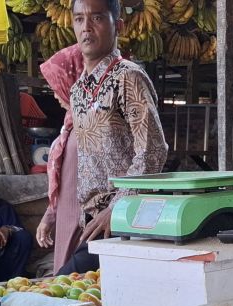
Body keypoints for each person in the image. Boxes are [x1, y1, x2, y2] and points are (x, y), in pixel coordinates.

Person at [58, 0, 167, 274]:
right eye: (79, 19)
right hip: (92, 220)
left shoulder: (128, 77)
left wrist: (117, 208)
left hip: (124, 220)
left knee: (59, 289)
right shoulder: (78, 90)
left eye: (97, 18)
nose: (86, 28)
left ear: (117, 25)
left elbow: (152, 150)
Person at [35, 44, 85, 275]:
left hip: (85, 225)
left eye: (57, 86)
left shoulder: (92, 125)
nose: (55, 94)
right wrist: (50, 216)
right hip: (67, 220)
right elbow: (66, 181)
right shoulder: (70, 123)